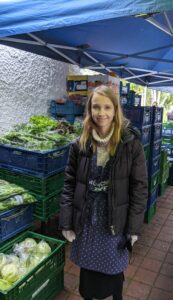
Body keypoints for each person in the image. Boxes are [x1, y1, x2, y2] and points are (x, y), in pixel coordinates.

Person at [59, 85, 148, 300]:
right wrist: (66, 222)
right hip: (86, 220)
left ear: (116, 109)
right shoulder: (79, 145)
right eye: (96, 107)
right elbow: (69, 185)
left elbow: (140, 188)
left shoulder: (130, 145)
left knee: (113, 271)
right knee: (88, 275)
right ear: (89, 110)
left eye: (107, 107)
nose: (102, 113)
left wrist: (133, 228)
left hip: (114, 220)